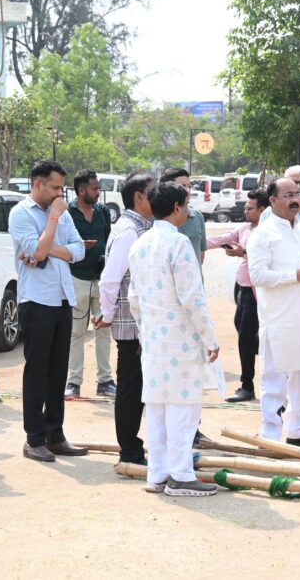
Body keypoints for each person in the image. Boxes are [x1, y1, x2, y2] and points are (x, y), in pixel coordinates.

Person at [127, 182, 220, 497]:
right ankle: (180, 475)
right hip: (180, 338)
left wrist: (145, 331)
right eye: (187, 204)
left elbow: (134, 298)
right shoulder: (178, 243)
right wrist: (209, 337)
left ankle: (158, 473)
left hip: (154, 338)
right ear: (178, 208)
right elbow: (192, 297)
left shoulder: (140, 243)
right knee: (183, 407)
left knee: (157, 407)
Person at [9, 160, 89, 462]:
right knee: (37, 371)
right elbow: (36, 251)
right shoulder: (21, 213)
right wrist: (53, 220)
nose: (60, 193)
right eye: (55, 187)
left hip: (63, 298)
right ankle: (34, 438)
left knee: (58, 372)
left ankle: (55, 434)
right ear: (37, 184)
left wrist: (50, 248)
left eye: (61, 188)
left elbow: (79, 250)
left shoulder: (63, 213)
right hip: (36, 300)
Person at [247, 177, 300, 449]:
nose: (295, 199)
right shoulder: (263, 234)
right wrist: (296, 276)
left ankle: (297, 430)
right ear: (272, 201)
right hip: (280, 317)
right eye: (288, 195)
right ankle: (270, 436)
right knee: (275, 378)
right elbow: (258, 275)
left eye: (298, 194)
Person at [94, 173, 156, 466]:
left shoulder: (140, 226)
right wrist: (107, 314)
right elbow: (110, 279)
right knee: (131, 390)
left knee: (139, 388)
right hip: (131, 325)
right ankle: (129, 450)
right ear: (139, 197)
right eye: (153, 192)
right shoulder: (130, 231)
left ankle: (134, 446)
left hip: (139, 323)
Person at [206, 188, 269, 403]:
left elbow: (267, 258)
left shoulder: (268, 231)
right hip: (243, 290)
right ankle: (273, 360)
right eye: (246, 207)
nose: (245, 211)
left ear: (262, 209)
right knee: (245, 333)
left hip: (256, 291)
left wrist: (243, 253)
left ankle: (247, 385)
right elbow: (220, 239)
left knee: (246, 337)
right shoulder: (245, 228)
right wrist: (194, 241)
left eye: (250, 208)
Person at [65, 170, 115, 398]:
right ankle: (73, 382)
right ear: (81, 190)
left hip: (101, 279)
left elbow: (109, 240)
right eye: (94, 188)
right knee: (76, 333)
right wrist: (78, 247)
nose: (98, 192)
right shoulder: (68, 213)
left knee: (103, 332)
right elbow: (61, 241)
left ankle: (105, 381)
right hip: (77, 278)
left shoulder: (103, 212)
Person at [159, 168, 206, 264]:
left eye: (189, 186)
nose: (188, 191)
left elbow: (201, 255)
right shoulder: (155, 218)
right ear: (167, 188)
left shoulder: (198, 217)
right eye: (183, 186)